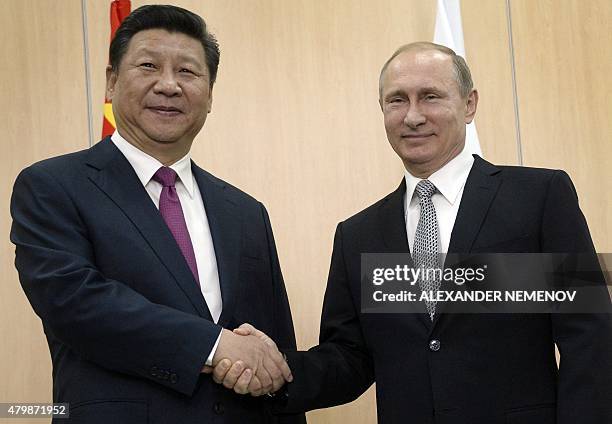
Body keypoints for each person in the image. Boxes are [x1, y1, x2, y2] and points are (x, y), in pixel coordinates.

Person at [210, 42, 612, 423]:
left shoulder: (539, 197)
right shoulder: (358, 236)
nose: (413, 116)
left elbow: (589, 338)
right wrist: (274, 369)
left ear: (469, 104)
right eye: (397, 100)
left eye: (431, 96)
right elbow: (350, 359)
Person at [10, 5, 304, 424]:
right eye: (148, 65)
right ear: (111, 82)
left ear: (210, 94)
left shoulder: (245, 211)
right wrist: (215, 346)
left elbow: (271, 353)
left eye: (188, 72)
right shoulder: (53, 185)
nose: (168, 85)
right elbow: (76, 303)